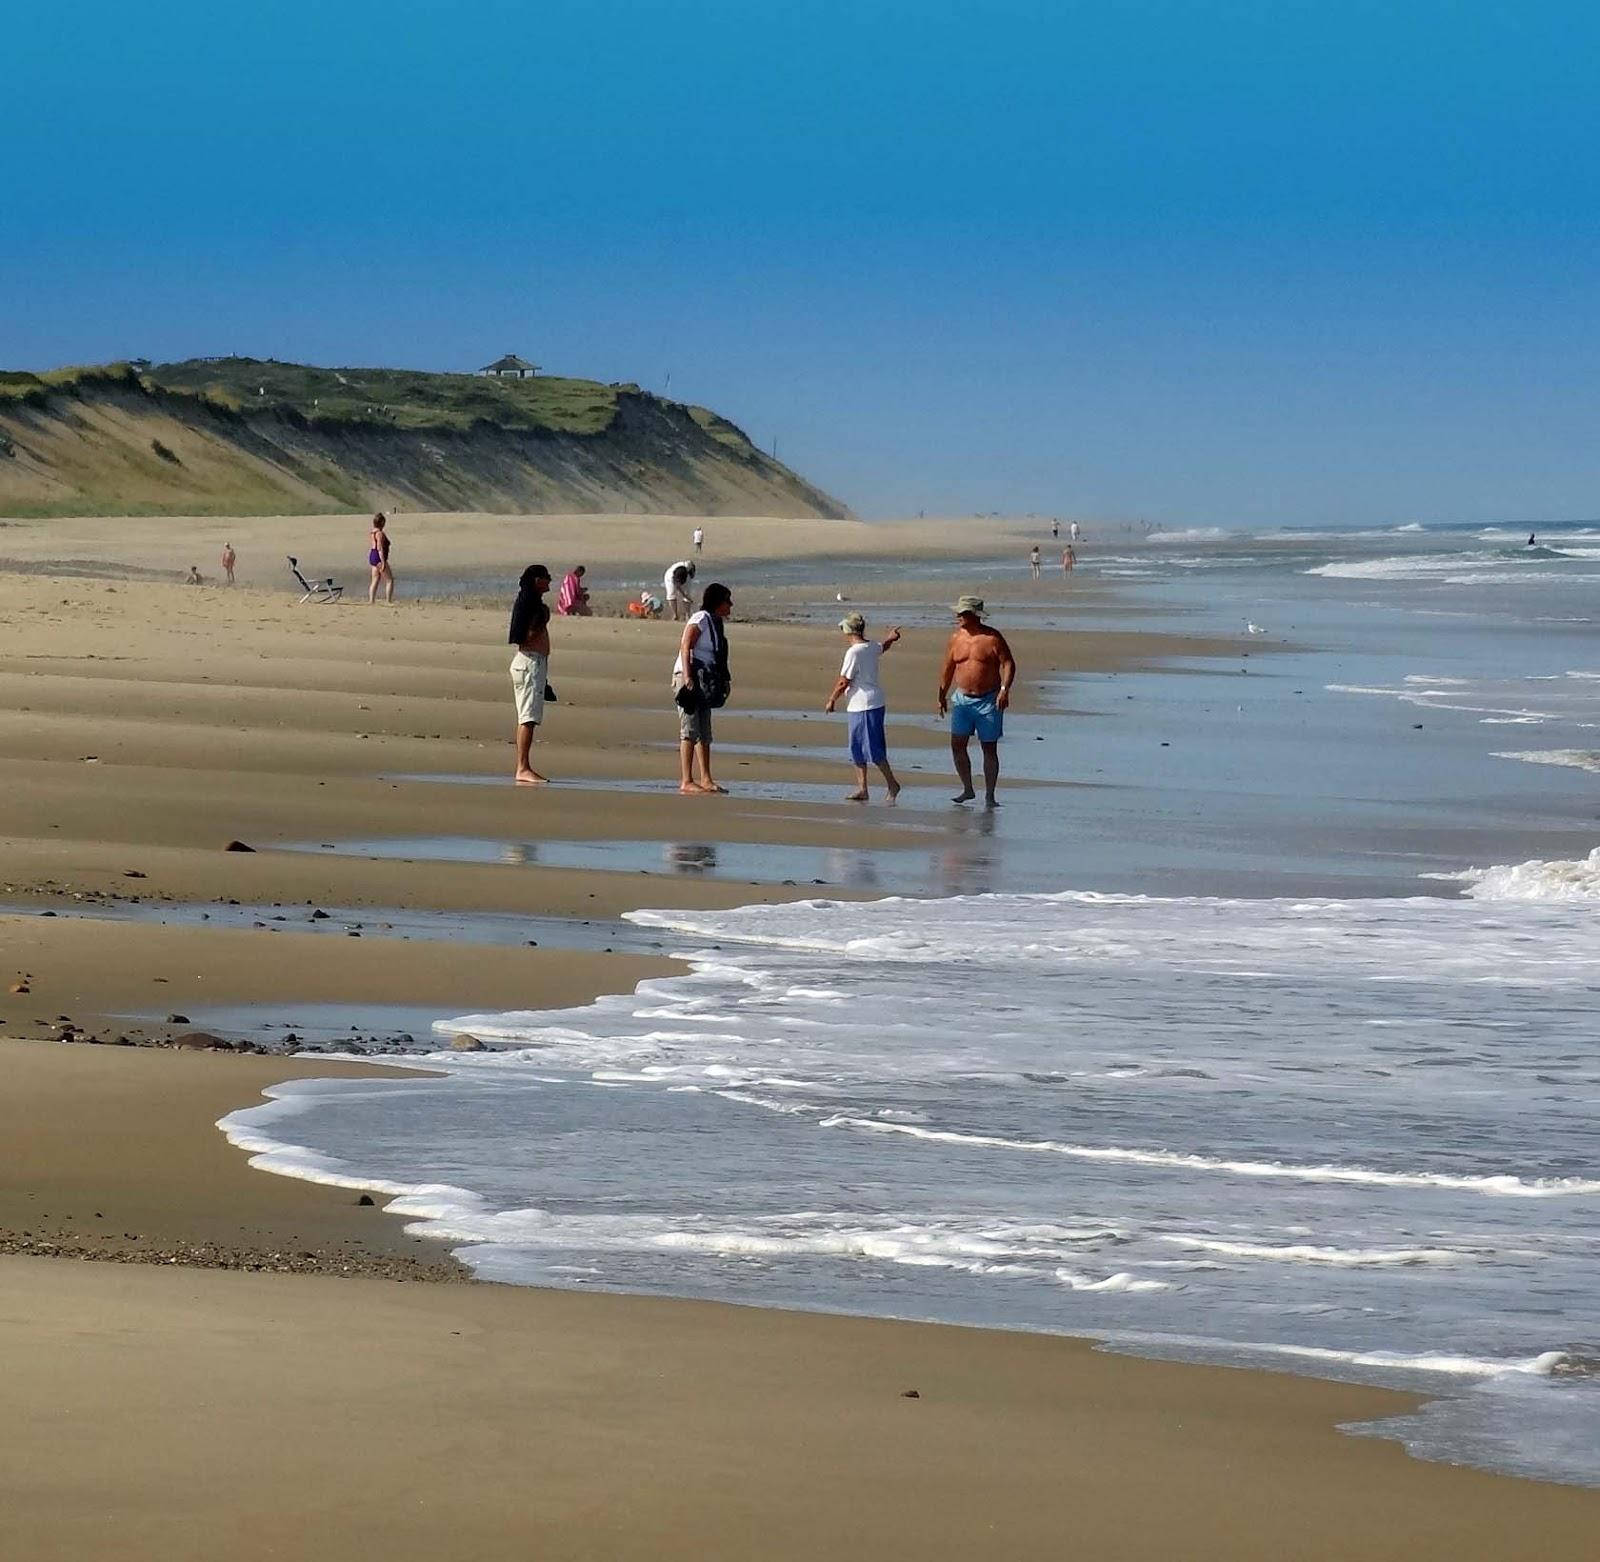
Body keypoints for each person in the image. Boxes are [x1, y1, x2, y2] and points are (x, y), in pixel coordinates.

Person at [937, 595, 1017, 808]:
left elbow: (1008, 664)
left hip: (989, 700)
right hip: (962, 699)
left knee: (988, 748)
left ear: (974, 615)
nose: (958, 616)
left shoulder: (992, 638)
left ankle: (990, 795)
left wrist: (1004, 690)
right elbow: (948, 668)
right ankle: (968, 788)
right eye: (958, 613)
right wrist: (941, 694)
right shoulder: (956, 638)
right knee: (957, 744)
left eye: (962, 613)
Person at [824, 613, 902, 802]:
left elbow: (844, 681)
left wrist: (832, 699)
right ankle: (862, 788)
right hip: (859, 704)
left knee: (873, 749)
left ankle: (892, 783)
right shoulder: (871, 646)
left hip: (867, 705)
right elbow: (882, 647)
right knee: (856, 748)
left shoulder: (854, 652)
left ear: (849, 631)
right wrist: (891, 638)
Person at [672, 581, 733, 794]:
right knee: (690, 728)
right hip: (688, 676)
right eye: (727, 601)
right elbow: (686, 645)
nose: (730, 606)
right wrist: (688, 677)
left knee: (704, 730)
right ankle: (686, 780)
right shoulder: (701, 619)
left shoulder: (716, 623)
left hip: (705, 678)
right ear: (718, 602)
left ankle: (706, 778)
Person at [508, 564, 553, 785]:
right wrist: (544, 617)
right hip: (529, 663)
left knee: (530, 718)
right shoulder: (528, 602)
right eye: (547, 578)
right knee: (527, 718)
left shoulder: (530, 600)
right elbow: (523, 636)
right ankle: (522, 767)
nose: (550, 582)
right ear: (537, 580)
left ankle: (524, 766)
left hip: (533, 664)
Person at [368, 513, 395, 604]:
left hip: (373, 555)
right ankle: (388, 601)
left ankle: (371, 600)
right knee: (389, 580)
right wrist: (383, 562)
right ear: (382, 522)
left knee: (375, 579)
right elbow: (379, 548)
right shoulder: (379, 533)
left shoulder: (372, 532)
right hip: (378, 556)